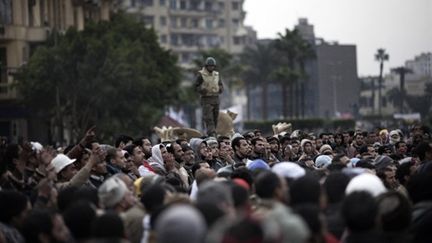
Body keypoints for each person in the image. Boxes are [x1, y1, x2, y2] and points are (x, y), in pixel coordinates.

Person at [195, 57, 223, 137]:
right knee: (208, 118)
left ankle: (214, 132)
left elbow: (220, 84)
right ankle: (212, 133)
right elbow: (196, 86)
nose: (211, 67)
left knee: (215, 117)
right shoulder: (201, 74)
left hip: (216, 98)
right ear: (206, 66)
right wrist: (201, 90)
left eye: (212, 66)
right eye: (210, 66)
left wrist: (221, 88)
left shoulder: (216, 74)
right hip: (206, 98)